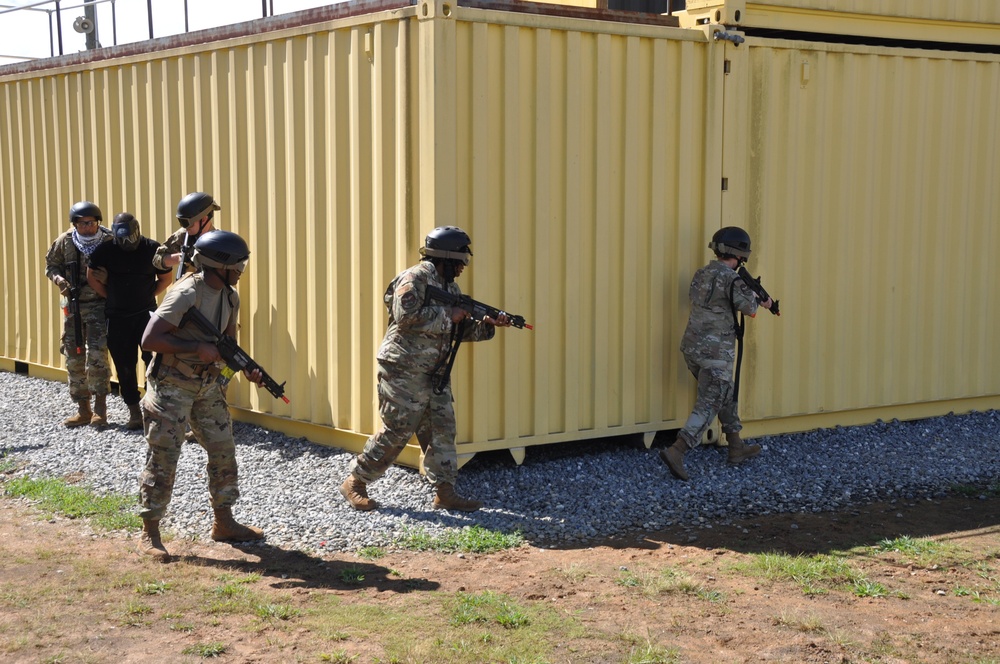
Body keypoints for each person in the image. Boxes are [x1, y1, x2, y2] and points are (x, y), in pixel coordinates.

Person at [339, 226, 512, 513]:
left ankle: (444, 491)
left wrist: (488, 325)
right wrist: (449, 314)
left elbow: (458, 329)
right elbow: (405, 316)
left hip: (434, 372)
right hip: (402, 368)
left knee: (442, 429)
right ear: (444, 258)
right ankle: (356, 482)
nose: (461, 269)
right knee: (397, 429)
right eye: (459, 262)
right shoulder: (414, 278)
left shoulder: (449, 287)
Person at [136, 230, 265, 561]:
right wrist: (195, 346)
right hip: (171, 384)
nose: (241, 268)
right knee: (164, 454)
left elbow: (227, 346)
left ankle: (224, 522)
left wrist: (245, 369)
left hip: (207, 385)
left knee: (223, 450)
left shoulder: (230, 297)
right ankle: (149, 532)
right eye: (238, 262)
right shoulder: (186, 294)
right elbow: (150, 340)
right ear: (218, 265)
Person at [660, 226, 772, 481]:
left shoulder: (702, 273)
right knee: (712, 400)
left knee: (724, 392)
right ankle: (678, 450)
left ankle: (735, 447)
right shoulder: (733, 280)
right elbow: (750, 309)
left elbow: (697, 298)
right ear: (740, 254)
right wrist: (761, 300)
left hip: (692, 348)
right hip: (715, 352)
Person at [86, 213, 171, 430]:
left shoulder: (152, 248)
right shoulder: (106, 250)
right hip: (117, 317)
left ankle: (154, 408)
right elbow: (91, 276)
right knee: (124, 365)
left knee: (154, 361)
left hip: (146, 314)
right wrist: (110, 295)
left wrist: (149, 295)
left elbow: (165, 277)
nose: (127, 244)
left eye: (130, 239)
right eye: (122, 240)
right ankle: (133, 409)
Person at [45, 201, 114, 427]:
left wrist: (108, 279)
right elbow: (51, 266)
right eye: (83, 223)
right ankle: (83, 409)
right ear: (75, 224)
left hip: (99, 305)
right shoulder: (65, 241)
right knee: (74, 357)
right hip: (73, 306)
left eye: (92, 223)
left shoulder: (109, 241)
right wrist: (59, 280)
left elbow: (125, 269)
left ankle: (100, 410)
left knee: (97, 356)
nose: (88, 227)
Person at [152, 191, 221, 281]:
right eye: (182, 222)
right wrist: (179, 258)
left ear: (203, 219)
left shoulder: (219, 242)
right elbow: (157, 259)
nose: (185, 227)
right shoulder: (184, 235)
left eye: (188, 223)